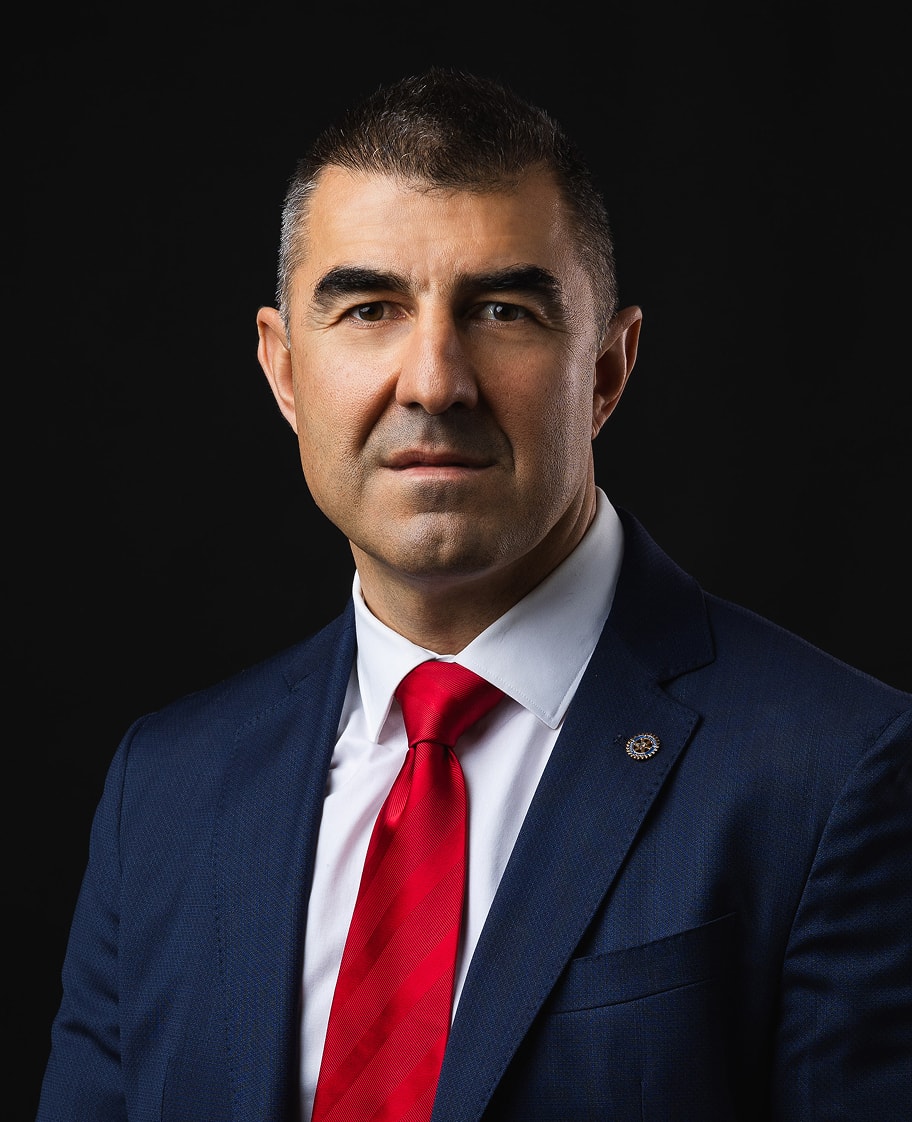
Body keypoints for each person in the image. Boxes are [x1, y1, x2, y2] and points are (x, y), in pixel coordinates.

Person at [36, 67, 910, 1122]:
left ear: (607, 370)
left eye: (502, 311)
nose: (434, 381)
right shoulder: (165, 790)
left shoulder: (839, 776)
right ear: (284, 369)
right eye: (370, 309)